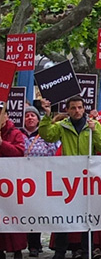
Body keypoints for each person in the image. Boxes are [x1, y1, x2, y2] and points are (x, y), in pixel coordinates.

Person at [39, 96, 101, 259]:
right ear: (68, 110)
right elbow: (47, 136)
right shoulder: (62, 126)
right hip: (67, 177)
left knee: (87, 216)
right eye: (73, 108)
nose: (77, 111)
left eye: (79, 107)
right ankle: (60, 251)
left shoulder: (94, 125)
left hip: (87, 177)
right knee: (63, 215)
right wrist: (47, 116)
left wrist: (95, 131)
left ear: (84, 108)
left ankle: (87, 251)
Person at [19, 105, 60, 258]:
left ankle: (37, 243)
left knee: (38, 211)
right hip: (22, 178)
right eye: (27, 115)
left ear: (38, 119)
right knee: (27, 211)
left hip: (42, 178)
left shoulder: (44, 135)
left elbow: (54, 151)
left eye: (33, 115)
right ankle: (31, 244)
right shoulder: (18, 135)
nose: (30, 118)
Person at [0, 105, 27, 259]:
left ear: (7, 117)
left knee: (14, 215)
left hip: (12, 183)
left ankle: (17, 249)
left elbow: (19, 152)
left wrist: (2, 144)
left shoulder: (15, 133)